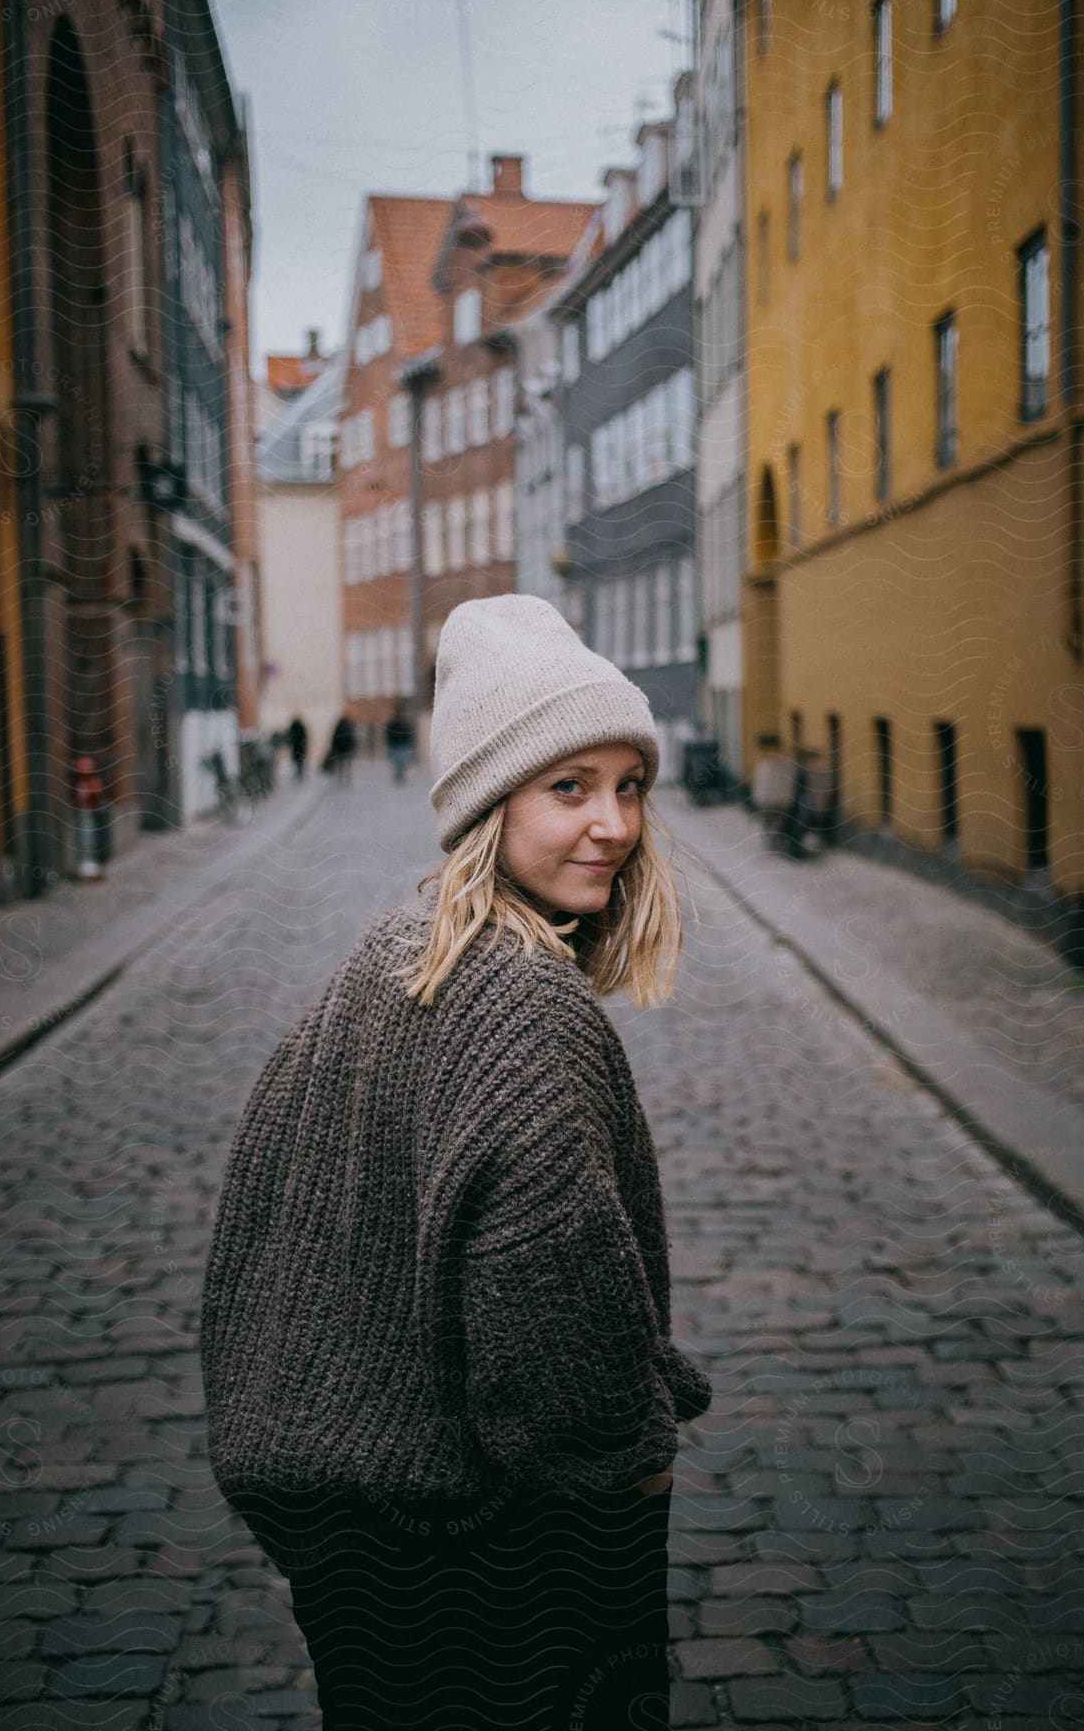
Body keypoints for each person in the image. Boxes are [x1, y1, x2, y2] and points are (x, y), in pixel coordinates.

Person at [200, 594, 713, 1731]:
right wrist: (635, 1473)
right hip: (485, 1555)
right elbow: (556, 1331)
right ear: (489, 803)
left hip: (351, 1546)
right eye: (568, 788)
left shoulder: (401, 947)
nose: (616, 824)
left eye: (630, 785)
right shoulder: (524, 1006)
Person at [384, 706, 414, 783]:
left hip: (403, 745)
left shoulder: (404, 724)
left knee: (402, 762)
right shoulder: (392, 724)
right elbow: (388, 735)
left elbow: (408, 734)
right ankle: (399, 775)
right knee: (397, 762)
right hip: (395, 745)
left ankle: (400, 775)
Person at [325, 712, 356, 785]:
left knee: (340, 764)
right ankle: (348, 778)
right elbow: (352, 739)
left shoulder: (338, 727)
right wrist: (352, 748)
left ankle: (340, 778)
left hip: (339, 749)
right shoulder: (348, 727)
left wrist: (333, 748)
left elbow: (334, 738)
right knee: (347, 765)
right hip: (347, 749)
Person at [286, 714, 308, 782]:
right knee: (299, 763)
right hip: (300, 749)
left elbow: (290, 739)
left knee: (297, 763)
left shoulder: (294, 728)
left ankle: (298, 776)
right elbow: (305, 739)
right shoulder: (301, 728)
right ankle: (299, 776)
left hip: (296, 749)